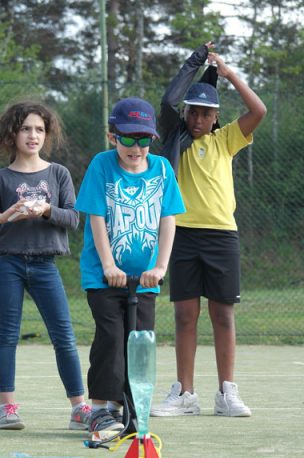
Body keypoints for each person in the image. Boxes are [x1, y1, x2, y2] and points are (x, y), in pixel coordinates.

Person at [151, 42, 267, 418]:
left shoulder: (225, 140)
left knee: (223, 315)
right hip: (181, 234)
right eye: (193, 112)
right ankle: (185, 394)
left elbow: (258, 110)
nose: (198, 119)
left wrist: (230, 74)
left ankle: (226, 393)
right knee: (185, 315)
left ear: (215, 117)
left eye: (205, 113)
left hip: (221, 236)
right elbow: (169, 100)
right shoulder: (174, 140)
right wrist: (198, 60)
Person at [0, 101, 91, 430]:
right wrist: (4, 216)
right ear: (13, 133)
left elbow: (73, 218)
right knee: (7, 335)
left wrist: (46, 210)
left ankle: (79, 408)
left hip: (45, 265)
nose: (32, 135)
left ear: (46, 134)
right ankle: (6, 409)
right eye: (25, 129)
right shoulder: (0, 178)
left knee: (63, 336)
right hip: (7, 264)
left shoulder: (58, 173)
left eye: (39, 129)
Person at [75, 97, 185, 437]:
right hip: (103, 276)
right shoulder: (102, 165)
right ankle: (98, 409)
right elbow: (95, 217)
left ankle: (128, 407)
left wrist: (162, 266)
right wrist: (108, 264)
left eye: (143, 139)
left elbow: (168, 220)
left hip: (145, 280)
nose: (136, 147)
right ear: (113, 137)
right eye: (128, 139)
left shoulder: (162, 169)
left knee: (139, 343)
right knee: (111, 337)